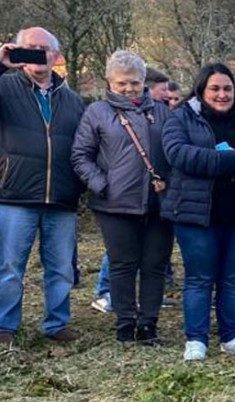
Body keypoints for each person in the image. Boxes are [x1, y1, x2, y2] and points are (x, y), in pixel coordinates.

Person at [0, 27, 85, 346]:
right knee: (11, 266)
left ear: (56, 54)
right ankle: (5, 327)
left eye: (45, 49)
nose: (39, 54)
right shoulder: (1, 88)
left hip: (62, 197)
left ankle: (57, 323)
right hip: (15, 195)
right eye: (30, 48)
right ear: (17, 52)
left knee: (61, 268)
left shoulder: (73, 99)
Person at [161, 63, 235, 361]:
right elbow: (178, 154)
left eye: (227, 89)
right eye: (215, 88)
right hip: (196, 214)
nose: (222, 94)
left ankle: (232, 335)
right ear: (202, 89)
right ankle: (196, 339)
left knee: (233, 278)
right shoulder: (182, 117)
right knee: (200, 278)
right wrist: (231, 162)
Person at [71, 50, 173, 345]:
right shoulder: (97, 113)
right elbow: (80, 155)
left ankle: (149, 323)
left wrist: (170, 185)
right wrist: (102, 184)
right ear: (109, 82)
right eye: (121, 84)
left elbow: (176, 153)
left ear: (144, 81)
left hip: (158, 203)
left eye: (134, 83)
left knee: (155, 264)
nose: (129, 89)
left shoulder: (163, 112)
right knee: (122, 264)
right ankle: (125, 323)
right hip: (114, 204)